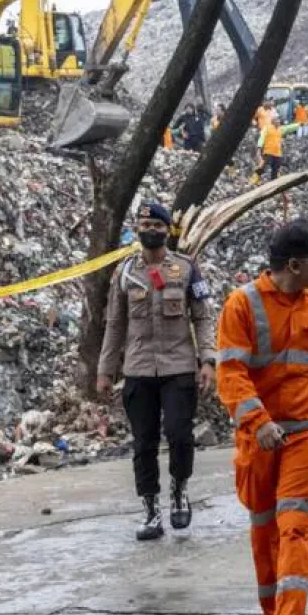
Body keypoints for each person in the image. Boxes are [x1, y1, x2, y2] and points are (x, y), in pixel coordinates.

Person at [216, 221, 308, 615]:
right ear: (295, 264)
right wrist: (258, 421)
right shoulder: (242, 305)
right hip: (260, 439)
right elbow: (230, 373)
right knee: (265, 534)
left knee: (296, 526)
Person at [97, 202, 216, 541]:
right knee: (143, 444)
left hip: (179, 367)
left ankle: (179, 489)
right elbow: (114, 324)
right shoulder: (124, 273)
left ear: (167, 230)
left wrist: (207, 360)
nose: (149, 229)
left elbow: (202, 317)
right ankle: (150, 509)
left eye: (156, 225)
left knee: (180, 435)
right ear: (137, 230)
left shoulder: (186, 269)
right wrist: (105, 370)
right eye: (144, 223)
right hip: (138, 370)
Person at [259, 116, 284, 182]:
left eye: (279, 120)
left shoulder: (280, 129)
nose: (279, 121)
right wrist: (259, 145)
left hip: (277, 153)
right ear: (273, 122)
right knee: (263, 167)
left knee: (275, 169)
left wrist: (298, 124)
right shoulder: (267, 128)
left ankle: (273, 183)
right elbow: (262, 137)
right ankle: (254, 180)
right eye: (277, 120)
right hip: (268, 151)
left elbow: (289, 128)